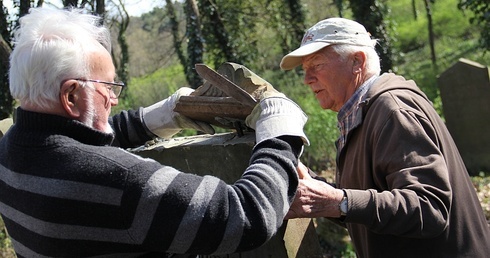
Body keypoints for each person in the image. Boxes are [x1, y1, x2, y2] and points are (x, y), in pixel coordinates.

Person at [0, 7, 309, 257]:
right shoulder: (121, 184)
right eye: (108, 87)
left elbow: (76, 145)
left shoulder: (11, 149)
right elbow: (246, 217)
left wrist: (159, 116)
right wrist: (280, 135)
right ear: (70, 96)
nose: (115, 98)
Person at [281, 17, 490, 257]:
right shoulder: (364, 114)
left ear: (356, 61)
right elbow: (369, 210)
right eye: (304, 70)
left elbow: (429, 207)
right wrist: (319, 186)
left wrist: (338, 201)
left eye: (316, 65)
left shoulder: (393, 111)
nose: (307, 79)